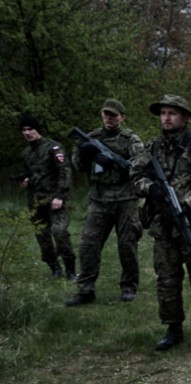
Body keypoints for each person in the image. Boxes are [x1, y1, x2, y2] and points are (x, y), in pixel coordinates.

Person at [130, 94, 191, 353]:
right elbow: (135, 174)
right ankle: (173, 328)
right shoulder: (152, 148)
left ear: (184, 117)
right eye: (163, 113)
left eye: (172, 113)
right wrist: (150, 189)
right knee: (167, 280)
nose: (166, 118)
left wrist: (189, 203)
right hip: (163, 225)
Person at [65, 99, 145, 306]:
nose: (109, 118)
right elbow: (77, 165)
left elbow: (141, 163)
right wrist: (85, 153)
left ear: (122, 117)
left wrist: (115, 162)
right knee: (88, 244)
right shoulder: (92, 137)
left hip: (126, 199)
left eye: (114, 115)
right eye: (106, 114)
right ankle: (85, 289)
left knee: (127, 245)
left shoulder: (130, 139)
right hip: (99, 199)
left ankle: (129, 286)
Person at [17, 115, 76, 279]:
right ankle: (55, 269)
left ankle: (70, 269)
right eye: (24, 130)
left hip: (54, 198)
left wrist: (61, 196)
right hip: (36, 200)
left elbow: (64, 171)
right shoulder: (26, 153)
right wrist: (26, 181)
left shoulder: (53, 147)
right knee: (42, 236)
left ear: (38, 130)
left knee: (59, 232)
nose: (27, 133)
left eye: (30, 129)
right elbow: (31, 173)